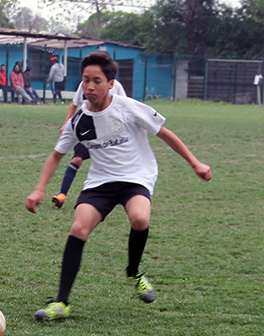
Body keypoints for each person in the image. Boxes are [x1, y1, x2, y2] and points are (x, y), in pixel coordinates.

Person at [25, 51, 212, 321]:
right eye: (86, 80)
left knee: (139, 217)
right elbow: (56, 155)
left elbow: (165, 134)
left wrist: (195, 163)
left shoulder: (128, 107)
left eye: (97, 81)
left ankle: (134, 272)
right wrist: (39, 189)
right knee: (78, 228)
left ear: (110, 83)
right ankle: (61, 302)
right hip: (101, 181)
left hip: (136, 176)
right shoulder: (78, 120)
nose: (90, 86)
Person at [51, 80, 127, 208]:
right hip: (87, 128)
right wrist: (66, 124)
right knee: (77, 159)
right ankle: (62, 195)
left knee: (113, 162)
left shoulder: (115, 85)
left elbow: (125, 106)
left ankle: (121, 195)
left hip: (108, 131)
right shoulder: (84, 84)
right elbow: (74, 105)